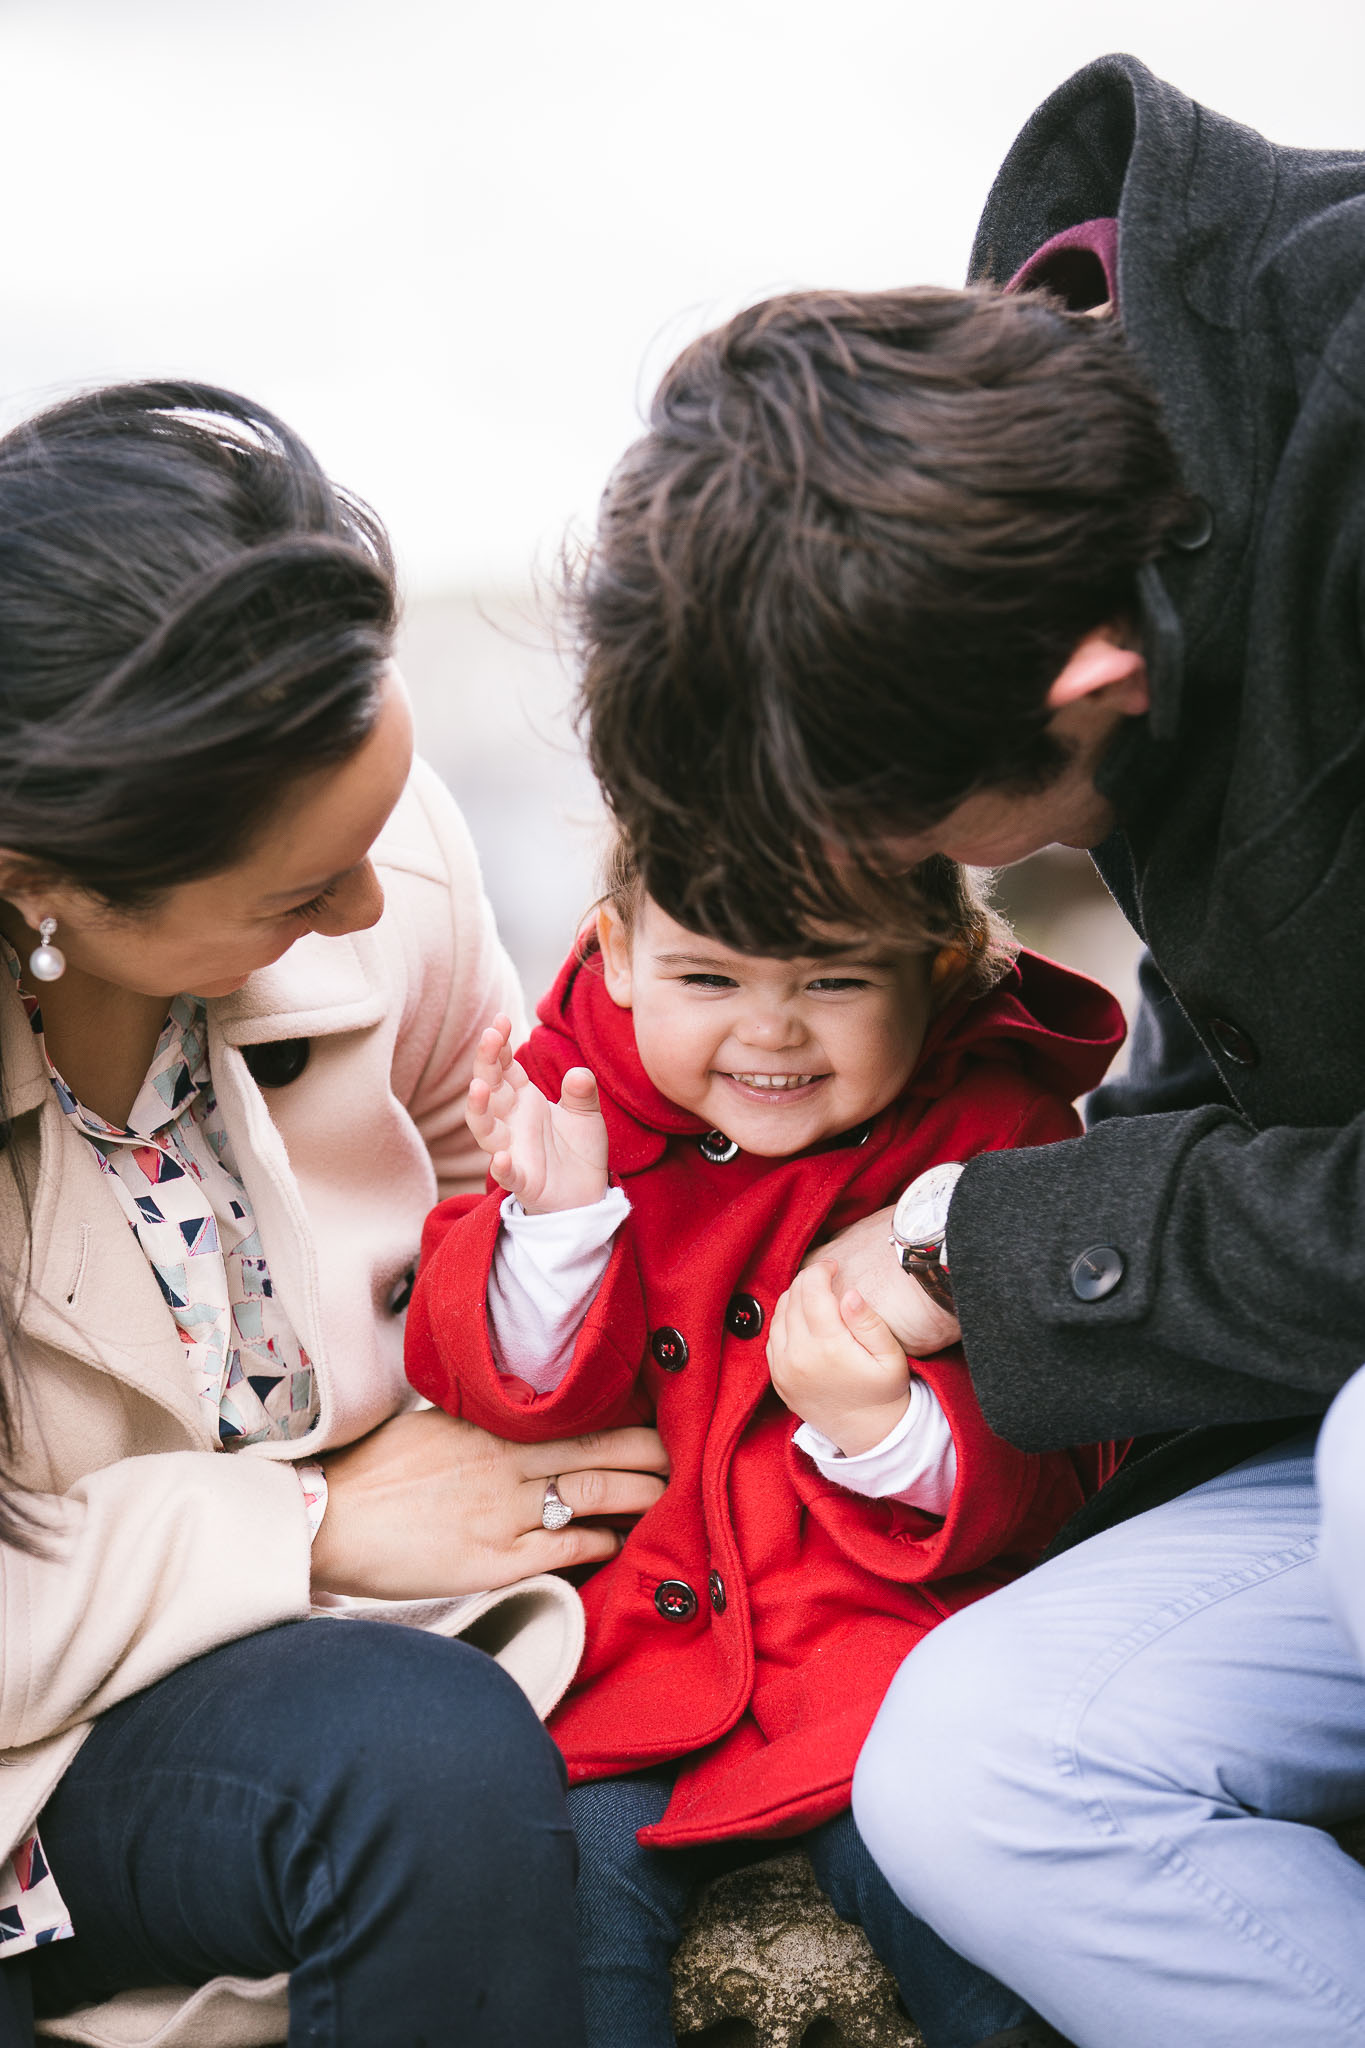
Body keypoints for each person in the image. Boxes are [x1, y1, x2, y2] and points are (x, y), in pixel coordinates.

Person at [567, 51, 1365, 2048]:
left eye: (927, 859)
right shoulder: (1009, 524)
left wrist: (970, 1236)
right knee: (987, 1773)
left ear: (1089, 680)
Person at [0, 380, 673, 2048]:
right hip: (40, 1737)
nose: (374, 908)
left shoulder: (389, 857)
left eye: (381, 825)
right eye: (303, 893)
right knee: (409, 1753)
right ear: (38, 879)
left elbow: (507, 1219)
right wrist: (302, 1523)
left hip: (363, 1641)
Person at [404, 841, 1125, 2048]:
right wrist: (559, 1226)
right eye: (711, 980)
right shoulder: (574, 1103)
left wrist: (887, 1429)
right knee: (563, 1914)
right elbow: (498, 1387)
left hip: (885, 1666)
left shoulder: (993, 1129)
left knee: (973, 1900)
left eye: (833, 981)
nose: (772, 1030)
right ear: (622, 956)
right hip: (622, 1669)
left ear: (937, 965)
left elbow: (1067, 1454)